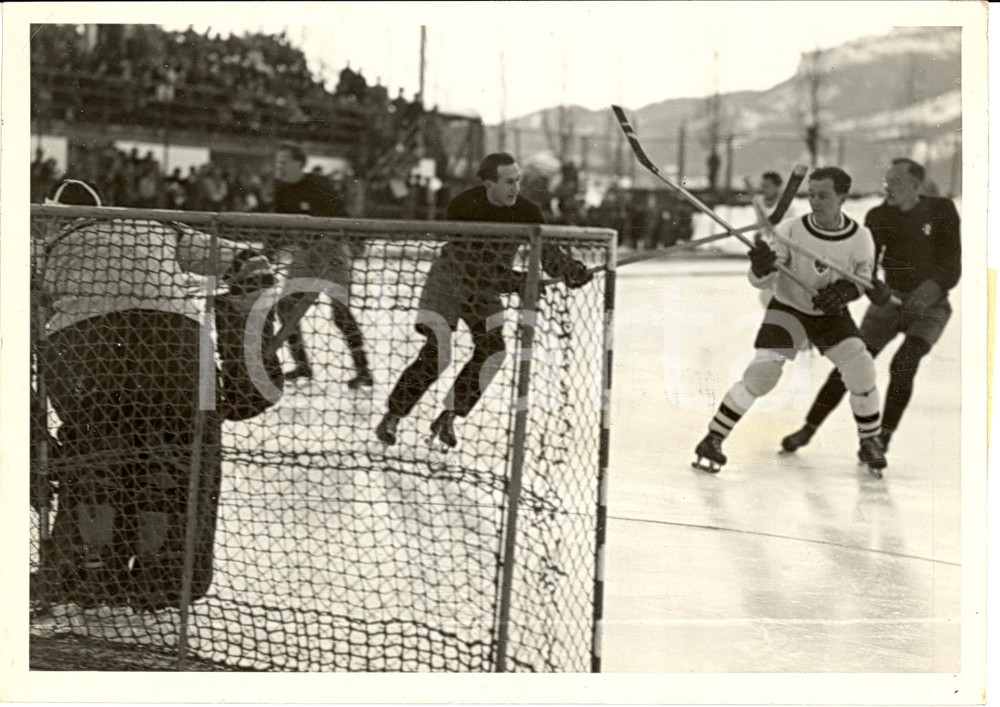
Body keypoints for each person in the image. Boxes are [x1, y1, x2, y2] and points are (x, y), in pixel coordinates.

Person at [33, 179, 283, 614]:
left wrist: (32, 434)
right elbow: (253, 264)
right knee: (168, 464)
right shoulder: (156, 226)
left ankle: (91, 572)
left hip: (85, 349)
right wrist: (245, 359)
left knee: (94, 460)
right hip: (177, 347)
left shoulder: (43, 247)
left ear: (54, 215)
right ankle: (157, 576)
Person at [374, 152, 593, 448]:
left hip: (485, 290)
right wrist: (517, 282)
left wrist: (570, 270)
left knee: (493, 351)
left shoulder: (526, 210)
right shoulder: (464, 205)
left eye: (518, 181)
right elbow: (473, 264)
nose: (515, 188)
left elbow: (549, 253)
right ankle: (393, 416)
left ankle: (448, 417)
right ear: (489, 184)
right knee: (439, 352)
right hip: (449, 281)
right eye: (508, 182)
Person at [693, 167, 887, 475]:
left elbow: (862, 279)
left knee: (861, 368)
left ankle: (870, 440)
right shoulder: (791, 229)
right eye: (812, 195)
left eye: (823, 196)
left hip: (829, 315)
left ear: (842, 197)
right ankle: (713, 438)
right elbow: (761, 280)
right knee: (763, 374)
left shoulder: (860, 237)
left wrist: (844, 292)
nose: (815, 201)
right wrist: (762, 267)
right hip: (788, 309)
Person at [781, 159, 961, 455]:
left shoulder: (942, 211)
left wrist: (929, 290)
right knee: (853, 363)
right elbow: (866, 268)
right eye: (886, 181)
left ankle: (880, 440)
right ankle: (808, 428)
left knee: (904, 365)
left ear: (915, 186)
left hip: (931, 307)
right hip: (890, 302)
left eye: (896, 182)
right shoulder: (878, 216)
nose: (888, 187)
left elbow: (951, 266)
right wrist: (873, 290)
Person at [270, 143, 373, 387]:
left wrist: (354, 241)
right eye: (277, 162)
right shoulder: (281, 190)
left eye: (284, 162)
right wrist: (269, 250)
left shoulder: (319, 185)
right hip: (304, 253)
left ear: (298, 163)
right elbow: (277, 225)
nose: (279, 167)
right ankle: (302, 365)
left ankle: (363, 370)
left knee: (340, 311)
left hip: (331, 251)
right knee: (285, 306)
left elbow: (342, 214)